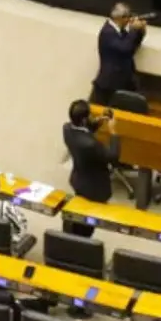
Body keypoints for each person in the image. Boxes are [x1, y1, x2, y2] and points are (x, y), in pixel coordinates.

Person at [62, 100, 120, 237]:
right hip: (94, 188)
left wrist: (100, 120)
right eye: (89, 116)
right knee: (87, 223)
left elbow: (84, 129)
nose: (91, 118)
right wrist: (113, 132)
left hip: (79, 179)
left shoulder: (67, 129)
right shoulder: (91, 145)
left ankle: (70, 235)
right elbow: (113, 156)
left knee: (78, 214)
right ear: (83, 120)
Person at [91, 3, 147, 105]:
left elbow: (131, 47)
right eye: (127, 17)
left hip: (123, 81)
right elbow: (124, 48)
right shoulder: (108, 32)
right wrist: (133, 29)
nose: (129, 21)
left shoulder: (120, 32)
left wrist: (140, 31)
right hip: (108, 85)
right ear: (120, 18)